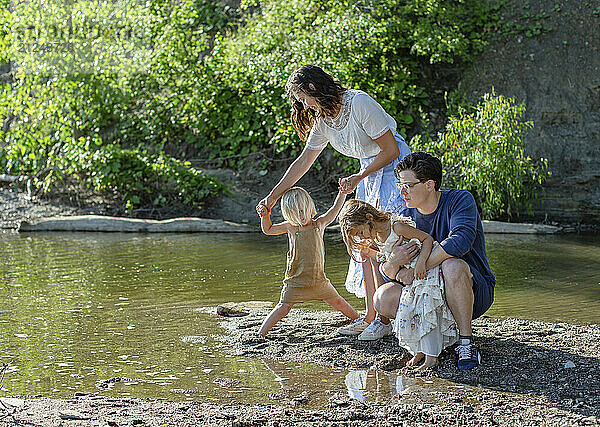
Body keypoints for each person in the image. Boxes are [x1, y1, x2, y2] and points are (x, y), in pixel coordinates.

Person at [257, 65, 411, 340]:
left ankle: (396, 311)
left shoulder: (359, 102)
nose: (302, 104)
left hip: (395, 169)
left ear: (313, 89)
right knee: (362, 242)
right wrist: (274, 196)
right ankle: (372, 317)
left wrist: (359, 176)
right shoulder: (325, 121)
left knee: (385, 239)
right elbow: (303, 162)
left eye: (302, 97)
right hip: (367, 171)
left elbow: (391, 150)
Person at [374, 152, 495, 370]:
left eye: (408, 185)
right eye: (401, 184)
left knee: (452, 265)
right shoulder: (402, 215)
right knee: (383, 298)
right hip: (425, 294)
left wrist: (420, 266)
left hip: (473, 291)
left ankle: (466, 342)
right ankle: (427, 342)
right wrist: (394, 262)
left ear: (429, 185)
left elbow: (460, 241)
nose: (402, 191)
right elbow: (387, 271)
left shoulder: (460, 200)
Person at [338, 199, 457, 370]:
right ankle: (420, 350)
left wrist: (422, 263)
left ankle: (432, 358)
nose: (363, 237)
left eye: (361, 232)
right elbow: (384, 259)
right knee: (411, 309)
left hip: (425, 270)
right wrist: (368, 252)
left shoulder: (396, 227)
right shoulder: (377, 237)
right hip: (412, 276)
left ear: (369, 218)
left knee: (426, 306)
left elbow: (427, 239)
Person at [256, 186, 359, 337]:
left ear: (310, 207)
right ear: (289, 214)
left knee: (338, 302)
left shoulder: (319, 224)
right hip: (296, 280)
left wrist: (342, 193)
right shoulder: (290, 227)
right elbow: (268, 229)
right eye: (296, 213)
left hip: (319, 280)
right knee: (283, 308)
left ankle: (360, 320)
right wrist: (265, 215)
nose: (301, 215)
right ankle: (260, 333)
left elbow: (335, 209)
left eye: (303, 210)